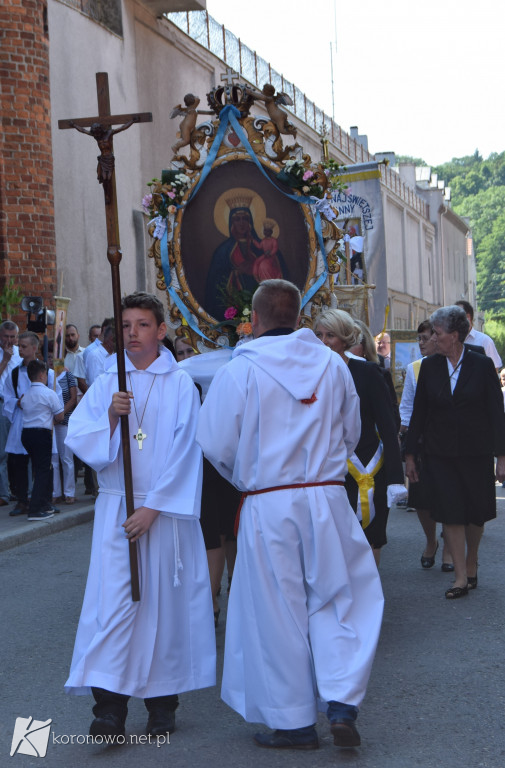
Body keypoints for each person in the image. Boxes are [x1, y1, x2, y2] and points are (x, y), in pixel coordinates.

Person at [197, 279, 383, 750]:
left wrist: (251, 476)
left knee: (278, 611)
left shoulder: (240, 372)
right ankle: (341, 702)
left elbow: (216, 441)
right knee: (340, 599)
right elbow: (351, 431)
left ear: (254, 320)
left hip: (269, 501)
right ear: (299, 318)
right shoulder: (333, 364)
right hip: (325, 498)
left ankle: (295, 720)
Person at [64, 292, 215, 739]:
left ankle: (162, 706)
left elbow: (190, 450)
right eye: (126, 326)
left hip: (163, 514)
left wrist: (152, 507)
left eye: (142, 325)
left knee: (163, 609)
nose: (133, 333)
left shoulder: (181, 384)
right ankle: (109, 710)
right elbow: (81, 439)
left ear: (161, 331)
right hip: (116, 508)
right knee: (114, 607)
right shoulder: (109, 379)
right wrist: (111, 417)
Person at [405, 305, 505, 599]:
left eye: (437, 333)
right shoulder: (430, 367)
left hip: (476, 452)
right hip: (440, 453)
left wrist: (502, 456)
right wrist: (410, 455)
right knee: (450, 511)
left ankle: (471, 558)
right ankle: (460, 577)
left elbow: (496, 413)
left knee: (475, 513)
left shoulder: (481, 364)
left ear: (456, 335)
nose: (433, 339)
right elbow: (419, 414)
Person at [314, 309, 405, 565]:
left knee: (370, 536)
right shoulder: (307, 373)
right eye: (318, 334)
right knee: (334, 539)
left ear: (344, 338)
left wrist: (396, 479)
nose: (323, 341)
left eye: (330, 335)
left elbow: (388, 426)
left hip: (367, 466)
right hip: (327, 467)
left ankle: (369, 597)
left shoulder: (368, 373)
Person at [399, 321, 453, 570]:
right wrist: (406, 436)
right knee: (422, 498)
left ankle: (450, 548)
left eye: (425, 338)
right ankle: (431, 540)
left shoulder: (455, 364)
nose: (420, 343)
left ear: (437, 338)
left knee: (449, 493)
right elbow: (407, 407)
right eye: (418, 338)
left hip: (449, 439)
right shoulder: (414, 368)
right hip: (422, 440)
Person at [4, 332, 61, 517]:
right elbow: (7, 397)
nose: (19, 349)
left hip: (42, 422)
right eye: (19, 346)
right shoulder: (14, 373)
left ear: (35, 348)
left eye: (23, 346)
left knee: (43, 465)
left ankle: (44, 500)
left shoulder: (49, 373)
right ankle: (23, 500)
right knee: (20, 462)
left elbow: (56, 396)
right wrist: (17, 403)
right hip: (22, 421)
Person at [21, 360, 64, 521]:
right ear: (41, 375)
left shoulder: (25, 395)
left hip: (26, 434)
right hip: (41, 433)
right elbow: (60, 415)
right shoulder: (48, 393)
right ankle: (35, 508)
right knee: (42, 471)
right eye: (46, 374)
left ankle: (44, 503)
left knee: (40, 469)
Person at [0, 321, 21, 507]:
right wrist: (4, 360)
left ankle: (20, 491)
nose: (9, 340)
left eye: (12, 337)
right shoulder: (5, 355)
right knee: (2, 453)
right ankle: (3, 494)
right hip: (1, 405)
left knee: (20, 450)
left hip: (18, 406)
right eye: (6, 336)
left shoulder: (20, 353)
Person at [455, 300, 502, 370]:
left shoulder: (484, 341)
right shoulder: (450, 341)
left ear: (468, 317)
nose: (453, 321)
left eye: (457, 317)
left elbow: (494, 369)